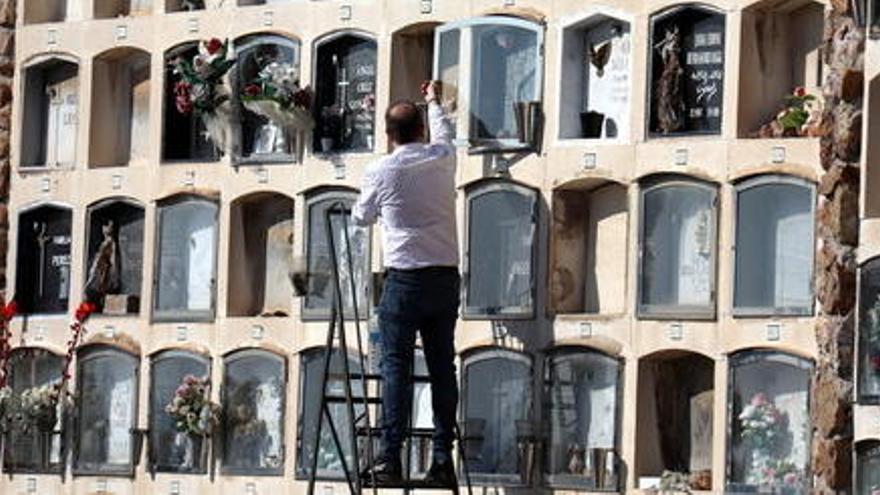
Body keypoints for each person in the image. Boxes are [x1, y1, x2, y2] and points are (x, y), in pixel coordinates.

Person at [351, 81, 459, 487]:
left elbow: (361, 217)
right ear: (421, 131)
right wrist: (433, 100)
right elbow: (445, 132)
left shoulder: (381, 170)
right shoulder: (442, 157)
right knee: (441, 368)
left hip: (404, 283)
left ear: (388, 135)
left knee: (395, 367)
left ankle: (391, 457)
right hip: (445, 280)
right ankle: (442, 458)